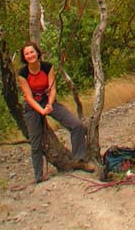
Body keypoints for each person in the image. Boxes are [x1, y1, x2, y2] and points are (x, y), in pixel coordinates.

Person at [18, 41, 93, 183]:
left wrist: (50, 105)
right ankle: (39, 176)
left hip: (49, 101)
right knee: (36, 141)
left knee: (76, 125)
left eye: (32, 52)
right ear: (24, 57)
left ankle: (80, 160)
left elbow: (52, 88)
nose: (30, 55)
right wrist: (42, 111)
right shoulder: (23, 73)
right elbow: (28, 97)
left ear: (37, 52)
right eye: (27, 53)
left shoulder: (47, 67)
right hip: (32, 106)